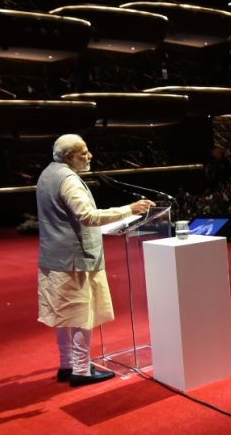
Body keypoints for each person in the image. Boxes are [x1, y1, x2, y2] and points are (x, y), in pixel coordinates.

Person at [37, 134, 154, 387]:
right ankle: (81, 370)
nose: (90, 157)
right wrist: (129, 210)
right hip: (75, 259)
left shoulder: (48, 173)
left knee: (66, 315)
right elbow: (87, 217)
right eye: (84, 153)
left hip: (55, 256)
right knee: (82, 315)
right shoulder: (68, 180)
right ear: (69, 157)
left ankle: (67, 365)